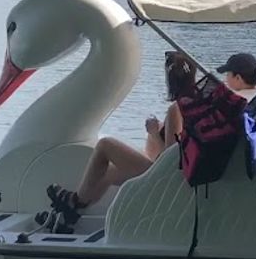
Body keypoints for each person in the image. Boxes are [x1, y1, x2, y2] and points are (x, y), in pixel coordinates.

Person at [39, 53, 195, 232]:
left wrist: (154, 132)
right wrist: (158, 133)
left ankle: (73, 201)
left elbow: (170, 160)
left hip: (166, 180)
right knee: (109, 173)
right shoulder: (194, 102)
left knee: (106, 145)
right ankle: (69, 218)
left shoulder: (176, 109)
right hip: (175, 177)